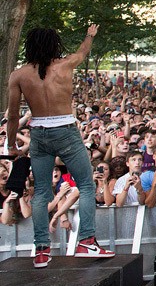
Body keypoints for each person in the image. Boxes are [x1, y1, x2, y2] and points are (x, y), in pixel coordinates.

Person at [6, 24, 114, 267]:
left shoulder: (19, 75)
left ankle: (41, 250)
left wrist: (11, 144)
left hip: (39, 134)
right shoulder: (65, 65)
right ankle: (86, 241)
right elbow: (83, 52)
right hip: (65, 131)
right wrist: (90, 35)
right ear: (54, 44)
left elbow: (13, 116)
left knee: (42, 191)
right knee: (86, 185)